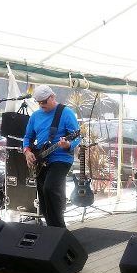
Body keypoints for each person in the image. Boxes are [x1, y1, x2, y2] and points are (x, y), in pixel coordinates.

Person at [23, 85, 80, 227]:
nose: (41, 105)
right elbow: (28, 137)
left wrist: (68, 144)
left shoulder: (66, 113)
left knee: (50, 188)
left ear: (52, 97)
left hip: (61, 158)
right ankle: (51, 229)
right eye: (39, 102)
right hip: (41, 159)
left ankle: (60, 228)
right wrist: (27, 152)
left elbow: (77, 137)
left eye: (44, 101)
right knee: (43, 196)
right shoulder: (35, 116)